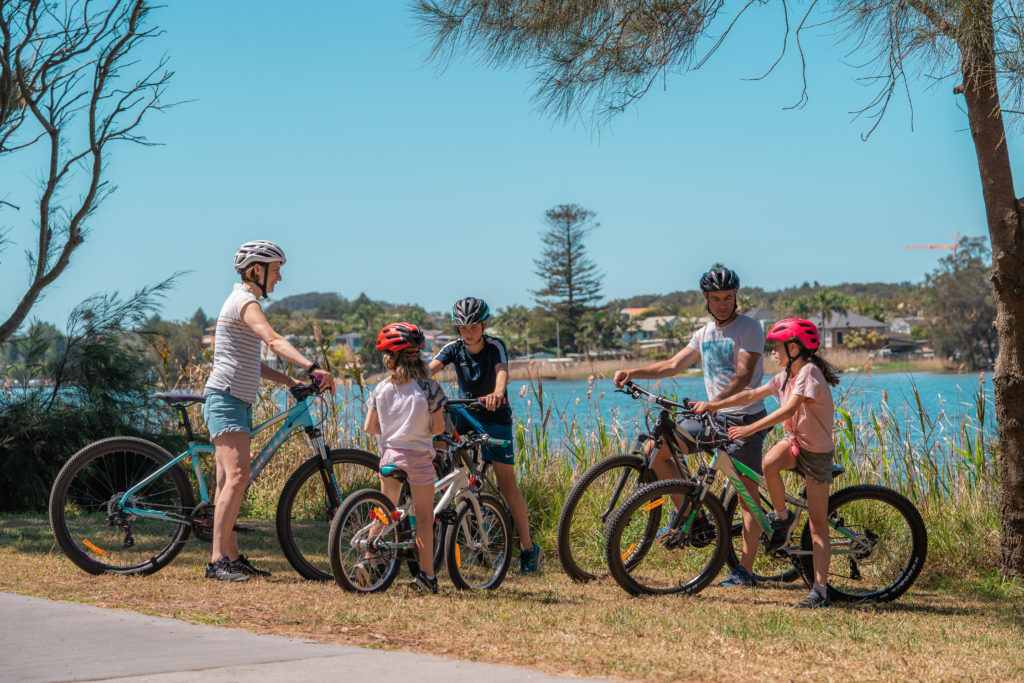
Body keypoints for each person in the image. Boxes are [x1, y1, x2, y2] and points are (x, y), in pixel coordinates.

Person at [613, 266, 768, 587]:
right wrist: (633, 371)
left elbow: (742, 375)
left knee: (747, 497)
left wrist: (714, 402)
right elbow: (671, 365)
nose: (723, 304)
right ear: (706, 300)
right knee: (654, 450)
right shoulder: (704, 334)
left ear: (736, 297)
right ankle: (688, 515)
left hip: (744, 421)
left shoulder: (749, 328)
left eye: (728, 297)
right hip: (712, 419)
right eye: (716, 298)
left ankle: (745, 570)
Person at [203, 240, 336, 582]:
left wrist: (289, 380)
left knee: (229, 484)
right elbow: (273, 341)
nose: (279, 278)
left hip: (236, 399)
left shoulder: (242, 301)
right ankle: (218, 562)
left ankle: (231, 556)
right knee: (237, 477)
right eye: (275, 270)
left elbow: (253, 363)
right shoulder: (245, 301)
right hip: (227, 398)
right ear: (256, 270)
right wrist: (313, 366)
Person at [694, 318, 840, 608]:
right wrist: (714, 404)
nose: (772, 352)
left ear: (795, 347)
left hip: (817, 454)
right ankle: (783, 518)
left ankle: (820, 590)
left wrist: (749, 429)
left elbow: (789, 408)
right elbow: (750, 394)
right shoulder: (787, 374)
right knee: (768, 463)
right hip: (796, 444)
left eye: (777, 346)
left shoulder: (808, 372)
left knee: (817, 525)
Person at [427, 297, 543, 574]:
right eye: (462, 328)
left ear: (484, 325)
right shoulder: (454, 349)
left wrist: (497, 394)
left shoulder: (495, 346)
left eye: (473, 327)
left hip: (493, 414)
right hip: (465, 411)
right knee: (438, 433)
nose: (467, 333)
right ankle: (451, 490)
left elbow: (502, 372)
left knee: (506, 483)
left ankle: (528, 548)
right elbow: (429, 369)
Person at [361, 322, 447, 594]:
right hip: (419, 458)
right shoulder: (429, 387)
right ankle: (427, 576)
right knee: (424, 518)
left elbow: (370, 428)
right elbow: (440, 428)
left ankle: (368, 562)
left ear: (389, 359)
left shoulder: (381, 389)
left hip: (390, 457)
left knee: (385, 512)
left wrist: (393, 429)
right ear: (418, 355)